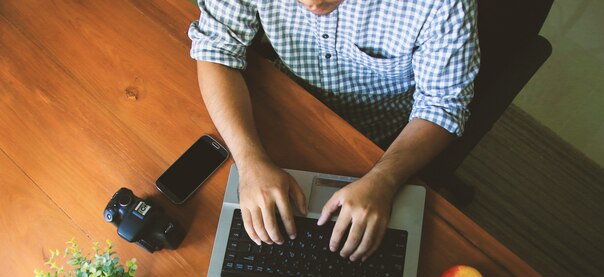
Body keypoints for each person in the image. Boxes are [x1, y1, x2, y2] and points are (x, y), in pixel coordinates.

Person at [189, 0, 480, 262]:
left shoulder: (443, 4)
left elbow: (442, 105)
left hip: (386, 140)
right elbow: (214, 49)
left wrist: (385, 179)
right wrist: (249, 162)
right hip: (283, 115)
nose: (312, 3)